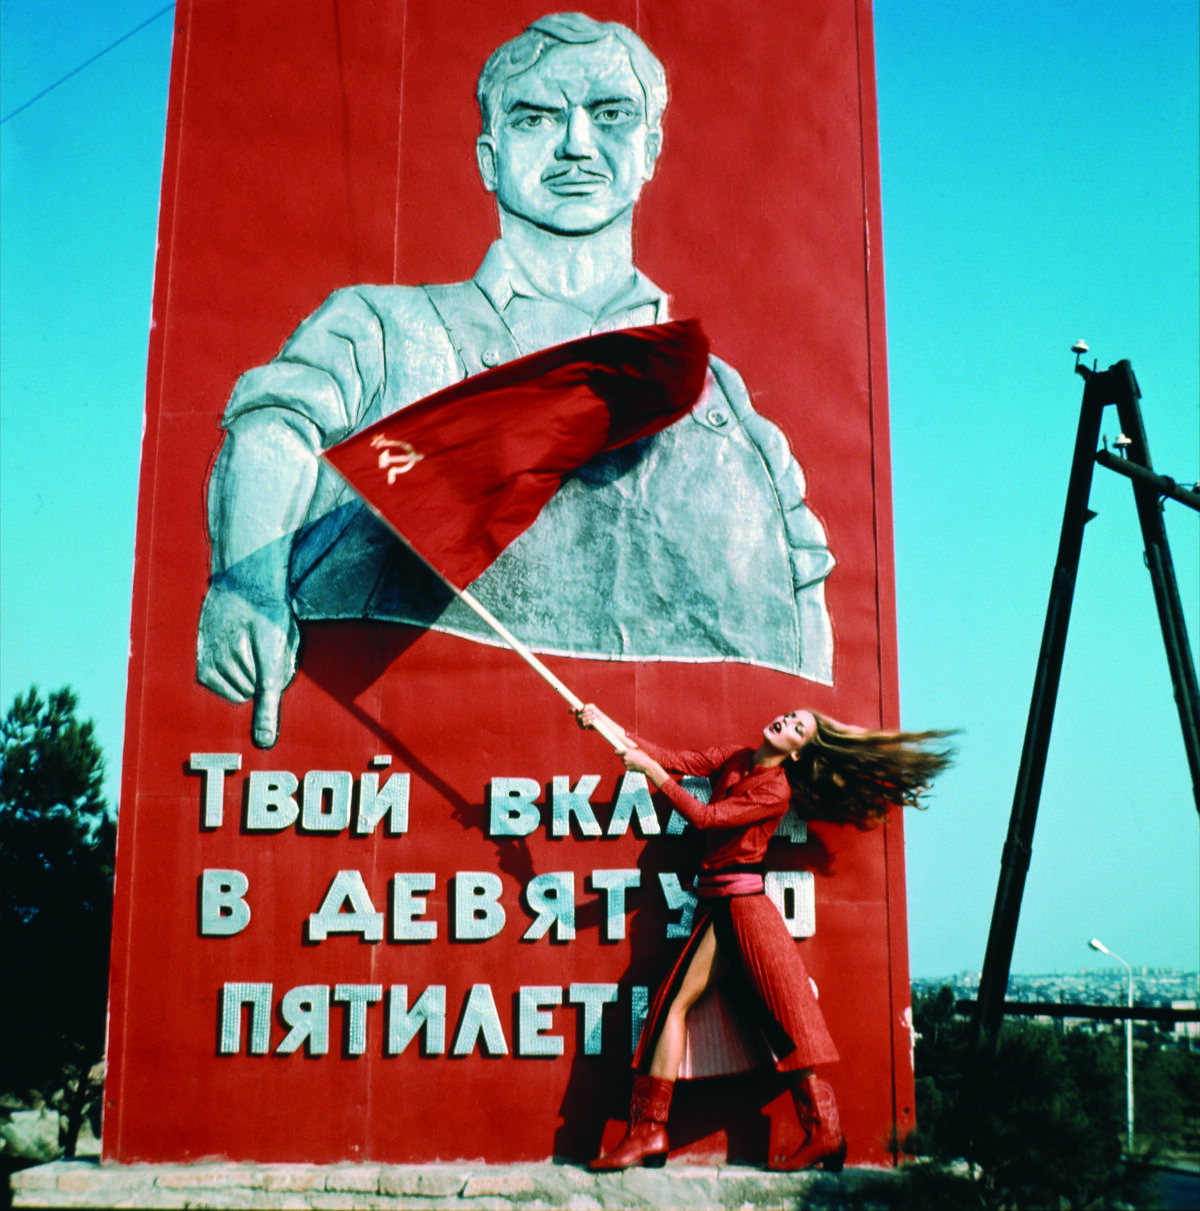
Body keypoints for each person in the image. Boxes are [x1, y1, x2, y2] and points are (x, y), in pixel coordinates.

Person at [197, 13, 835, 750]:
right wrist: (246, 584)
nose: (575, 143)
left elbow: (804, 627)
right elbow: (274, 425)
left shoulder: (721, 404)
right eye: (536, 117)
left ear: (651, 151)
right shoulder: (384, 328)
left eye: (611, 114)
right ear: (488, 158)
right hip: (393, 770)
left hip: (658, 821)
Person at [575, 702, 953, 1172]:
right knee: (701, 1013)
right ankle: (653, 1131)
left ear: (798, 753)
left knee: (780, 1028)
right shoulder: (736, 757)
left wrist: (649, 770)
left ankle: (818, 1132)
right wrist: (604, 724)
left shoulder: (775, 789)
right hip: (723, 910)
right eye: (791, 716)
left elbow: (707, 818)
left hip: (747, 913)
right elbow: (676, 759)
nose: (787, 722)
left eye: (799, 728)